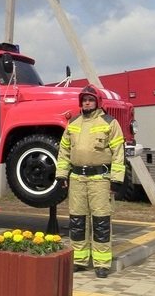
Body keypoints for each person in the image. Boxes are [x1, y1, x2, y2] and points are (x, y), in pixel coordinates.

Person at [55, 84, 125, 279]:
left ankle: (102, 264)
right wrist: (62, 174)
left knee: (101, 222)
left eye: (90, 100)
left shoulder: (110, 123)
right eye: (84, 100)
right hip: (77, 178)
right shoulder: (73, 123)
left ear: (97, 102)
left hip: (100, 179)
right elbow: (64, 151)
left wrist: (116, 180)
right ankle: (79, 260)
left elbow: (119, 154)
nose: (87, 103)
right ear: (81, 103)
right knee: (77, 221)